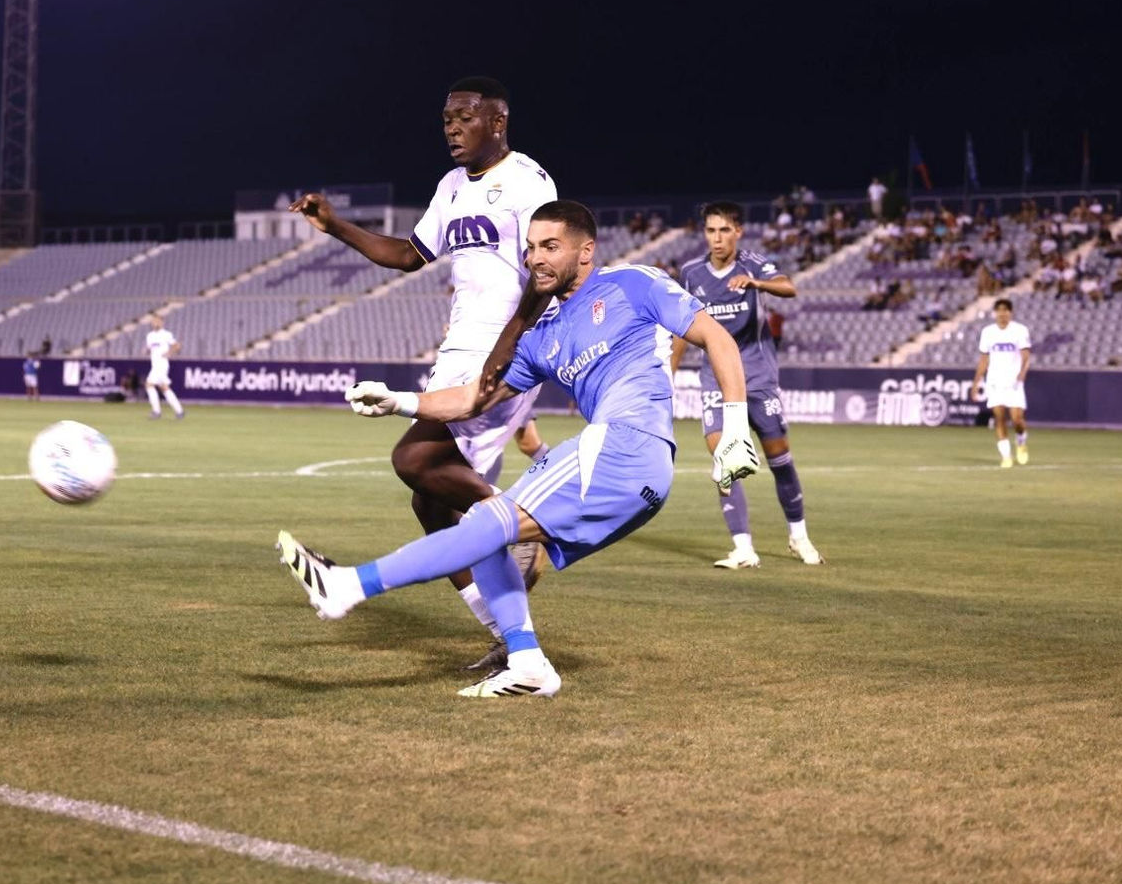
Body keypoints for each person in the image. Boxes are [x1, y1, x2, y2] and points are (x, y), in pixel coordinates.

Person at [277, 201, 761, 698]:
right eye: (530, 248)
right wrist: (400, 401)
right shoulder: (541, 338)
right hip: (625, 468)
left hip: (626, 443)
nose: (535, 258)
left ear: (586, 250)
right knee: (484, 523)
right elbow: (473, 398)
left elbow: (716, 337)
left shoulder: (632, 283)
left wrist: (735, 428)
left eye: (550, 246)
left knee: (489, 523)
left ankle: (349, 586)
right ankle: (527, 661)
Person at [288, 76, 556, 669]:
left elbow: (545, 271)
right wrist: (336, 226)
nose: (452, 128)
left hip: (505, 350)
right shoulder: (452, 186)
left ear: (498, 121)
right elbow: (409, 254)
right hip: (461, 347)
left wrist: (507, 348)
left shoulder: (528, 182)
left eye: (465, 117)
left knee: (413, 460)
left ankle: (531, 529)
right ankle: (513, 639)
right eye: (446, 120)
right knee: (433, 506)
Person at [670, 201, 822, 569]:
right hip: (715, 380)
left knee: (780, 459)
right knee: (724, 460)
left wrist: (756, 283)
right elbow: (681, 328)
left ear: (738, 231)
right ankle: (743, 548)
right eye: (711, 230)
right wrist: (668, 374)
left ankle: (798, 536)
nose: (717, 238)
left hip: (757, 377)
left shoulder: (753, 264)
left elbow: (789, 288)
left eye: (724, 230)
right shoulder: (691, 274)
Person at [970, 298, 1032, 467]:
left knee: (1017, 419)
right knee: (999, 418)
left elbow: (1026, 355)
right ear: (995, 313)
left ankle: (1021, 442)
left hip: (1013, 381)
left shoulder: (1020, 330)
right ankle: (1006, 456)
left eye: (1006, 310)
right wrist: (976, 383)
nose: (1002, 313)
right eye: (999, 310)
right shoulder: (988, 332)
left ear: (1010, 313)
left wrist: (1022, 373)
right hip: (995, 381)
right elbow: (984, 359)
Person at [144, 315, 184, 419]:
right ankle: (179, 411)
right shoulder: (150, 336)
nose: (155, 323)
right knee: (164, 388)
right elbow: (150, 348)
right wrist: (146, 351)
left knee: (149, 384)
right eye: (154, 321)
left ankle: (156, 412)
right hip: (155, 364)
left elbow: (177, 345)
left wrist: (169, 353)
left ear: (162, 323)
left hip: (162, 364)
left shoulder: (166, 334)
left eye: (158, 321)